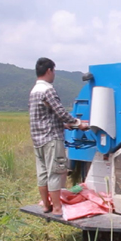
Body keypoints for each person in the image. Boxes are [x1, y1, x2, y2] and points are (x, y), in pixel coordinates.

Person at [29, 57, 88, 217]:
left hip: (38, 140)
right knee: (55, 172)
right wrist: (78, 123)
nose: (54, 74)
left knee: (42, 174)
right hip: (51, 139)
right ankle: (57, 208)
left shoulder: (34, 91)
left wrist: (63, 125)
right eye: (54, 70)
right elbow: (60, 112)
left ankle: (46, 205)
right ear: (49, 70)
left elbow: (43, 117)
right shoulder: (48, 90)